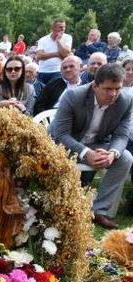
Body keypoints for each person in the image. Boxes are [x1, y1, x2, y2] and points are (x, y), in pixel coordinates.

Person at [50, 63, 133, 229]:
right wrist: (85, 153)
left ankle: (98, 211)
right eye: (108, 89)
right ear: (95, 85)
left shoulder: (126, 100)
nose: (114, 94)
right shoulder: (74, 96)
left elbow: (122, 134)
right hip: (64, 142)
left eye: (117, 88)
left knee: (125, 158)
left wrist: (112, 154)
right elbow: (60, 134)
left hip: (97, 142)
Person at [35, 18, 72, 85]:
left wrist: (58, 41)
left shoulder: (67, 38)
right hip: (43, 71)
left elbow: (66, 54)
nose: (63, 29)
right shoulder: (43, 40)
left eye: (64, 27)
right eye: (60, 27)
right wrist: (56, 54)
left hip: (58, 71)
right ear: (53, 28)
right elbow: (39, 56)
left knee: (55, 94)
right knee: (42, 94)